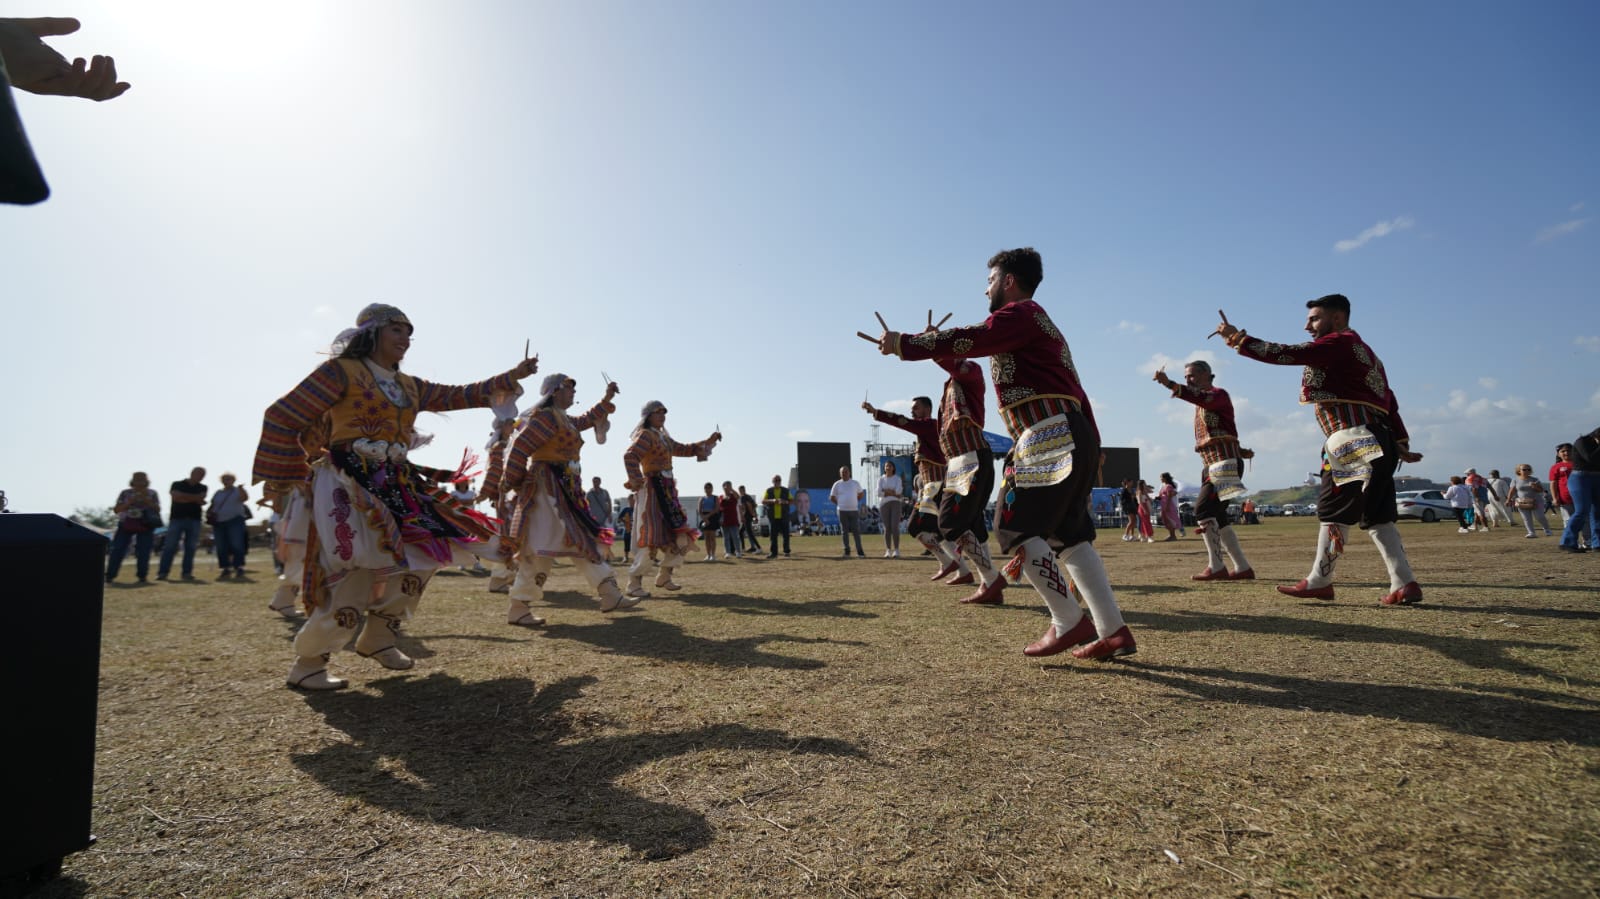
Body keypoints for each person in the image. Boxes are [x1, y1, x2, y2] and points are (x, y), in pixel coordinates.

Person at [254, 303, 534, 691]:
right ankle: (310, 662)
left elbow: (458, 394)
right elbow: (282, 414)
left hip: (399, 482)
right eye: (396, 331)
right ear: (372, 333)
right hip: (348, 482)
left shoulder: (408, 385)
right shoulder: (341, 373)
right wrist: (289, 473)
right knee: (357, 569)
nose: (405, 340)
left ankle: (379, 635)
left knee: (426, 553)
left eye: (409, 333)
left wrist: (509, 376)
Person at [876, 247, 1136, 660]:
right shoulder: (1037, 324)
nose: (986, 290)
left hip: (1048, 433)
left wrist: (908, 343)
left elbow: (974, 338)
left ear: (1008, 281)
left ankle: (1069, 620)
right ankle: (1113, 631)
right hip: (1070, 430)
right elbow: (1077, 389)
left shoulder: (1019, 316)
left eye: (990, 280)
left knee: (1014, 527)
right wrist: (1095, 445)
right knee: (1069, 535)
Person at [1215, 293, 1424, 606]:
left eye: (1314, 319)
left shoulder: (1339, 343)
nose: (1307, 326)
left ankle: (1320, 580)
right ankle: (1404, 582)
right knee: (1378, 515)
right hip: (1380, 440)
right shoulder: (1368, 354)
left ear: (1337, 318)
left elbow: (1287, 353)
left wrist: (1238, 339)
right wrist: (1401, 442)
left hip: (1351, 439)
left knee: (1333, 510)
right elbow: (1389, 401)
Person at [499, 373, 630, 626]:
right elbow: (521, 447)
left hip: (565, 489)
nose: (573, 393)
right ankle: (519, 606)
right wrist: (514, 480)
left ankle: (609, 593)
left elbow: (588, 418)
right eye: (569, 388)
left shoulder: (563, 419)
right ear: (554, 391)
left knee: (570, 542)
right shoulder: (545, 418)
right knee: (555, 544)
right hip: (546, 491)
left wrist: (607, 398)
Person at [1153, 361, 1255, 579]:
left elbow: (1200, 399)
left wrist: (1170, 384)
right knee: (1218, 515)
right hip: (1215, 462)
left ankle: (1217, 566)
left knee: (1203, 511)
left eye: (1191, 376)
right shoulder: (1205, 401)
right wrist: (1240, 449)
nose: (1188, 380)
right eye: (1186, 377)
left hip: (1223, 462)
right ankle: (1242, 566)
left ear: (1206, 375)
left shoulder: (1217, 395)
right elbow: (1224, 429)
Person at [622, 401, 720, 596]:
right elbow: (630, 456)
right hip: (652, 490)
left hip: (667, 491)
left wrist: (708, 441)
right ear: (648, 416)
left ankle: (665, 575)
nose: (662, 416)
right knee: (650, 536)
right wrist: (635, 479)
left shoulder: (663, 438)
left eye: (664, 413)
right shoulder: (646, 435)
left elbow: (684, 449)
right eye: (658, 413)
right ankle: (634, 583)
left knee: (681, 537)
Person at [864, 397, 968, 579]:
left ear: (927, 409)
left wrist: (877, 412)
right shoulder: (930, 428)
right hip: (936, 485)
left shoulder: (929, 425)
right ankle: (964, 571)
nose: (912, 412)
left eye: (916, 408)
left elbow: (902, 422)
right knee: (939, 531)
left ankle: (947, 562)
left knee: (915, 527)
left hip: (934, 486)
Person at [104, 471, 160, 584]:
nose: (140, 482)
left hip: (145, 524)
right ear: (132, 481)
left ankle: (142, 576)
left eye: (142, 479)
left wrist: (146, 499)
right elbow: (117, 510)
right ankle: (110, 575)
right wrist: (130, 502)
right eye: (137, 479)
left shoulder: (152, 493)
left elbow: (157, 509)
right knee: (118, 549)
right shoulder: (125, 493)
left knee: (144, 550)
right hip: (126, 523)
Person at [157, 467, 208, 581]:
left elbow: (200, 499)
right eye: (198, 474)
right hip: (177, 519)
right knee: (169, 546)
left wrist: (183, 496)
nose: (200, 476)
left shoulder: (203, 487)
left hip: (194, 520)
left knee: (190, 547)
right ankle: (163, 572)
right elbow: (176, 497)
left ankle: (187, 573)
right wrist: (195, 499)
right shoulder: (177, 484)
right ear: (192, 473)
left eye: (202, 475)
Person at [1560, 427, 1600, 553]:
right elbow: (1590, 458)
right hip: (1580, 477)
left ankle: (1597, 544)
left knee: (1598, 512)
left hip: (1597, 477)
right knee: (1582, 510)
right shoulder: (1582, 442)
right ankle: (1567, 542)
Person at [208, 472, 251, 579]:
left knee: (237, 544)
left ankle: (239, 567)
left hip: (235, 520)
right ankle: (225, 568)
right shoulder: (218, 493)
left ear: (233, 480)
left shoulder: (237, 491)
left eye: (229, 479)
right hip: (219, 522)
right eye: (224, 479)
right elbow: (213, 505)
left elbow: (244, 498)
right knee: (221, 546)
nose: (226, 481)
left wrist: (241, 490)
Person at [830, 466, 867, 557]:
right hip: (842, 511)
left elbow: (861, 494)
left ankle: (860, 551)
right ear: (840, 474)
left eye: (846, 471)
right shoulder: (837, 484)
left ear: (849, 473)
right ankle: (847, 551)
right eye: (842, 472)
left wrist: (854, 500)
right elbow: (832, 497)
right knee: (844, 531)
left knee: (856, 531)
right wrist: (839, 503)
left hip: (853, 510)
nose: (844, 473)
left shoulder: (855, 483)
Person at [1509, 465, 1553, 538]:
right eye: (1524, 469)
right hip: (1522, 502)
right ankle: (1531, 532)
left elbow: (1541, 490)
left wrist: (1535, 487)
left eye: (1528, 469)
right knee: (1526, 518)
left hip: (1536, 501)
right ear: (1519, 471)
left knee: (1540, 516)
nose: (1527, 471)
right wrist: (1508, 499)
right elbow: (1512, 491)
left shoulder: (1535, 479)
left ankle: (1547, 529)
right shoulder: (1515, 480)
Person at [876, 460, 904, 558]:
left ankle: (896, 550)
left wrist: (886, 491)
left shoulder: (897, 479)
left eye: (890, 466)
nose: (888, 468)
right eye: (886, 466)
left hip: (895, 503)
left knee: (894, 526)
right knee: (887, 528)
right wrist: (892, 493)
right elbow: (879, 493)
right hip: (883, 504)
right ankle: (888, 550)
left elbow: (898, 491)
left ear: (893, 468)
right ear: (884, 468)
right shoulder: (881, 479)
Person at [1550, 444, 1577, 538]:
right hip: (1565, 498)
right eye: (1563, 451)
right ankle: (1572, 542)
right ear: (1558, 454)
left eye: (1569, 450)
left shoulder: (1581, 464)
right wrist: (1555, 498)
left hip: (1581, 497)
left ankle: (1588, 542)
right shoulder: (1556, 467)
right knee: (1568, 520)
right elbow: (1553, 484)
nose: (1566, 453)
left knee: (1585, 520)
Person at [762, 475, 793, 557]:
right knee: (773, 536)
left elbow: (792, 501)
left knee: (786, 535)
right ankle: (773, 553)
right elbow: (763, 501)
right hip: (773, 516)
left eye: (779, 480)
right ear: (773, 481)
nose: (777, 482)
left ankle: (786, 551)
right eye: (775, 480)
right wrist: (772, 500)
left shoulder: (786, 490)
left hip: (784, 516)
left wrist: (784, 502)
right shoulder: (769, 490)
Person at [586, 476, 614, 560]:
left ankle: (607, 555)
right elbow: (586, 505)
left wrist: (609, 515)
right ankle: (596, 553)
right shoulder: (589, 494)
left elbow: (609, 502)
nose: (595, 483)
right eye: (594, 481)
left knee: (606, 538)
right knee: (595, 537)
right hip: (594, 519)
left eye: (597, 481)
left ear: (600, 482)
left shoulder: (605, 492)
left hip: (604, 518)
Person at [718, 482, 743, 559]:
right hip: (724, 520)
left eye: (729, 486)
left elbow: (738, 497)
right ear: (723, 487)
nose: (727, 487)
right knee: (726, 537)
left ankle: (738, 552)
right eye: (726, 486)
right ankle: (727, 552)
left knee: (735, 536)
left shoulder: (733, 495)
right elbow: (719, 507)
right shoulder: (721, 497)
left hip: (733, 519)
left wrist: (731, 489)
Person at [698, 483, 721, 561]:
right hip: (704, 517)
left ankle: (713, 555)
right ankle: (708, 554)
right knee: (706, 537)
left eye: (709, 488)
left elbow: (717, 508)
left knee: (712, 537)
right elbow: (699, 510)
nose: (707, 489)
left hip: (712, 517)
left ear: (712, 489)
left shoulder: (715, 497)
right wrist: (704, 518)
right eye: (706, 488)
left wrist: (708, 516)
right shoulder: (702, 498)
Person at [1156, 472, 1181, 541]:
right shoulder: (1164, 486)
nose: (1160, 479)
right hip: (1164, 504)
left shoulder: (1169, 486)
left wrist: (1167, 506)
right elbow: (1163, 496)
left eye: (1161, 477)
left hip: (1168, 505)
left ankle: (1173, 536)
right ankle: (1171, 535)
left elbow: (1169, 497)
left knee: (1170, 520)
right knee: (1166, 521)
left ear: (1165, 478)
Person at [737, 486, 762, 553]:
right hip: (749, 516)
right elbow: (754, 506)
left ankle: (758, 548)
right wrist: (755, 516)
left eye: (740, 490)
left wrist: (745, 516)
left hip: (747, 517)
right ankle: (743, 548)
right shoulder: (748, 497)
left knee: (750, 533)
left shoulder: (743, 497)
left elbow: (749, 506)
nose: (740, 491)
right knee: (741, 532)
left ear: (741, 490)